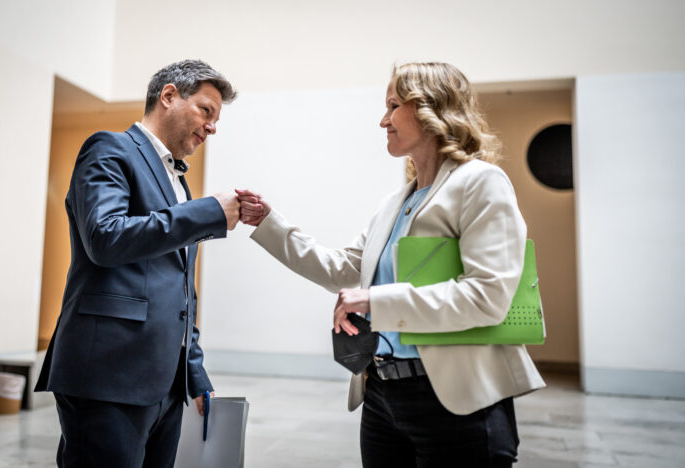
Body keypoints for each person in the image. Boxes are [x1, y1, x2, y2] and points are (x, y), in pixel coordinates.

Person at [238, 62, 545, 467]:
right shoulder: (395, 203)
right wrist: (269, 224)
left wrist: (377, 301)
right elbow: (342, 269)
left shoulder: (481, 182)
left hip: (455, 399)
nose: (383, 119)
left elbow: (488, 296)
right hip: (382, 396)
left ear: (431, 108)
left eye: (393, 105)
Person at [35, 59, 239, 468]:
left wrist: (193, 372)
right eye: (206, 111)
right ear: (168, 96)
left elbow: (181, 288)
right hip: (108, 375)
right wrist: (208, 213)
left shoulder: (178, 182)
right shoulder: (108, 148)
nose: (212, 126)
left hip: (165, 384)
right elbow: (105, 238)